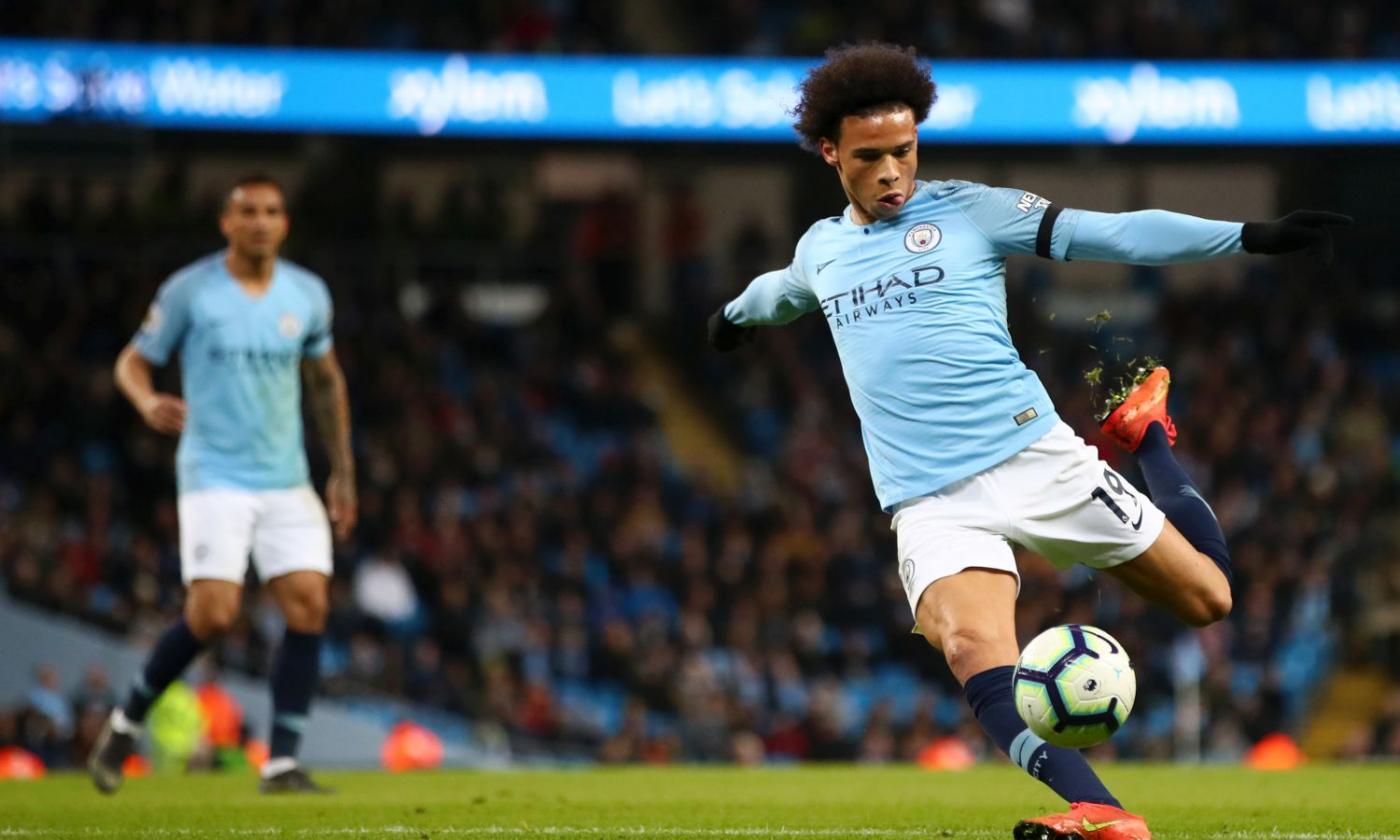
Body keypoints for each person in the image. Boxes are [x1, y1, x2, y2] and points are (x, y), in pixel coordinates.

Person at [706, 43, 1349, 840]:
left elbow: (1113, 234)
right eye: (868, 157)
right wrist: (730, 317)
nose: (891, 172)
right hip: (931, 498)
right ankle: (1103, 812)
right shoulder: (821, 249)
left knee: (1210, 599)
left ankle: (1147, 437)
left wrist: (1250, 236)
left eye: (904, 150)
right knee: (971, 647)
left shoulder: (971, 211)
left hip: (1034, 458)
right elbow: (779, 292)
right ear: (830, 152)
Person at [89, 174, 356, 795]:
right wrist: (145, 400)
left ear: (284, 224)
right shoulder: (191, 291)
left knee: (309, 602)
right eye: (248, 212)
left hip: (287, 477)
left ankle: (281, 763)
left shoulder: (307, 294)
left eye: (271, 212)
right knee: (212, 614)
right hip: (215, 474)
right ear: (226, 223)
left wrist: (343, 469)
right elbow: (132, 360)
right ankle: (126, 722)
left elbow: (326, 382)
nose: (260, 222)